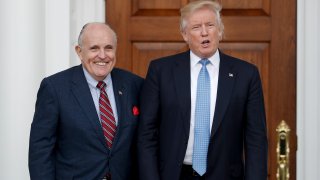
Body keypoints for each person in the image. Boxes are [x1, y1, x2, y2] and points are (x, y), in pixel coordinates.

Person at [137, 1, 268, 180]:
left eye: (210, 25)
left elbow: (256, 139)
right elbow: (146, 134)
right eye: (196, 27)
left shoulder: (246, 74)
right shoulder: (161, 71)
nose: (204, 32)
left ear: (220, 31)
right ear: (185, 35)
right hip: (175, 174)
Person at [29, 22, 143, 180]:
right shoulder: (55, 88)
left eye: (108, 48)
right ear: (79, 51)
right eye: (94, 48)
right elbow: (40, 150)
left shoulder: (135, 85)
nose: (102, 55)